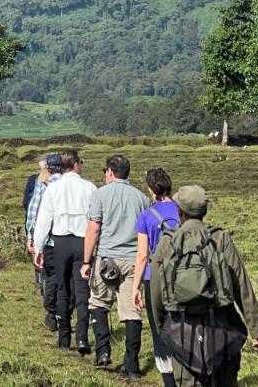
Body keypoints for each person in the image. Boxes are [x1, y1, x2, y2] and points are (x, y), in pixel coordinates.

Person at [148, 186, 258, 387]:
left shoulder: (168, 243)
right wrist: (257, 329)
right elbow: (242, 285)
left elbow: (156, 294)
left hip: (182, 331)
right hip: (222, 330)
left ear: (180, 212)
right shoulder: (220, 238)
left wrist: (164, 328)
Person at [82, 154, 148, 375]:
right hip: (133, 259)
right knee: (132, 312)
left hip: (106, 258)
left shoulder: (100, 194)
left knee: (98, 303)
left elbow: (93, 229)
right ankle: (132, 365)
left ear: (110, 171)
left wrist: (86, 261)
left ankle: (103, 351)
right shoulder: (141, 198)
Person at [32, 149, 96, 353]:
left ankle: (64, 337)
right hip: (82, 242)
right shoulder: (90, 188)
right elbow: (96, 221)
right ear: (76, 164)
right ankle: (83, 338)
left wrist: (38, 247)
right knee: (83, 291)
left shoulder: (53, 188)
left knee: (62, 290)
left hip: (60, 242)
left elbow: (43, 220)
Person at [132, 168, 181, 387]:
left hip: (155, 278)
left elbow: (142, 255)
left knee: (159, 329)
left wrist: (136, 287)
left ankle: (169, 379)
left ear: (151, 190)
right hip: (183, 274)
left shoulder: (146, 216)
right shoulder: (183, 211)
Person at [25, 153, 65, 331]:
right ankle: (63, 313)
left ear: (48, 168)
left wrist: (31, 236)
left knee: (51, 276)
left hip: (50, 240)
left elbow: (34, 213)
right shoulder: (72, 185)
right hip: (70, 239)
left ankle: (51, 313)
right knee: (68, 278)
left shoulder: (44, 186)